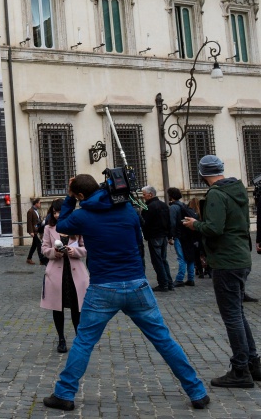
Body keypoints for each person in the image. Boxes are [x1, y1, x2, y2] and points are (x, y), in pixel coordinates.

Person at [43, 174, 209, 412]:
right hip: (135, 283)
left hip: (103, 287)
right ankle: (197, 391)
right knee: (163, 339)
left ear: (80, 195)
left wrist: (70, 198)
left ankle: (64, 394)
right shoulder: (128, 210)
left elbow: (62, 225)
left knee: (83, 342)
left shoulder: (82, 214)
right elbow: (136, 240)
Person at [182, 155, 260, 387]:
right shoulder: (237, 189)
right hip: (240, 257)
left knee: (232, 316)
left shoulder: (216, 194)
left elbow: (215, 228)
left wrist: (194, 224)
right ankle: (253, 363)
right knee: (238, 313)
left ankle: (240, 370)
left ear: (202, 173)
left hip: (227, 261)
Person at [40, 199, 89, 354]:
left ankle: (79, 338)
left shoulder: (77, 226)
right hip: (56, 272)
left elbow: (86, 248)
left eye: (59, 211)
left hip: (75, 272)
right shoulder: (49, 228)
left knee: (77, 308)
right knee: (57, 307)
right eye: (54, 212)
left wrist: (75, 252)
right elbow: (44, 249)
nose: (57, 215)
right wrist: (54, 253)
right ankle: (61, 338)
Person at [141, 185, 174, 292]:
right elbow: (169, 222)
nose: (143, 197)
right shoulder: (164, 205)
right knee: (163, 260)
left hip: (154, 236)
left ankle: (163, 283)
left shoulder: (149, 207)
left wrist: (146, 235)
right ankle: (169, 283)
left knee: (157, 261)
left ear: (150, 194)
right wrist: (169, 235)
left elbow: (145, 223)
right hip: (163, 235)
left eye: (144, 194)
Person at [167, 187, 197, 287]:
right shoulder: (183, 205)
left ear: (170, 196)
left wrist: (170, 236)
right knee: (190, 257)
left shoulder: (173, 207)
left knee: (181, 258)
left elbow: (172, 223)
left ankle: (179, 279)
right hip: (188, 234)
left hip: (179, 236)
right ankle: (191, 278)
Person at [26, 198, 44, 265]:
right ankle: (41, 260)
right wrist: (31, 232)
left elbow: (37, 220)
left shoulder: (36, 211)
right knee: (39, 245)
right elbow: (29, 222)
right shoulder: (30, 211)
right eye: (39, 203)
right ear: (36, 203)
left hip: (37, 230)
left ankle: (29, 258)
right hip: (34, 231)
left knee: (34, 246)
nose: (40, 204)